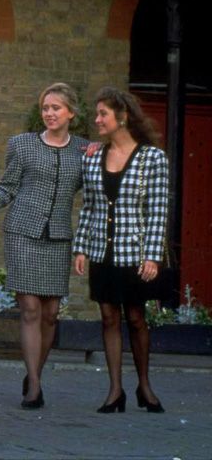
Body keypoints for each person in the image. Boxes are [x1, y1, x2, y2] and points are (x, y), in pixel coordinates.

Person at [0, 83, 90, 409]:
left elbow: (94, 197)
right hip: (22, 232)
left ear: (71, 113)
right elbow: (7, 188)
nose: (49, 113)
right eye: (45, 108)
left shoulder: (85, 151)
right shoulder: (22, 145)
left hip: (58, 237)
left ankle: (35, 371)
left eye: (56, 108)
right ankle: (34, 385)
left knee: (50, 314)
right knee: (31, 309)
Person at [73, 87, 169, 414]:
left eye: (103, 114)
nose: (97, 120)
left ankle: (144, 385)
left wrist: (153, 256)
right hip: (103, 253)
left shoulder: (152, 158)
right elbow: (89, 207)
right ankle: (115, 390)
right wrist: (82, 248)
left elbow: (157, 211)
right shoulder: (94, 157)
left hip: (136, 254)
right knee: (108, 317)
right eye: (97, 114)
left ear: (122, 117)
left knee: (136, 317)